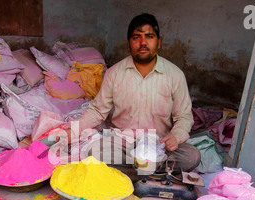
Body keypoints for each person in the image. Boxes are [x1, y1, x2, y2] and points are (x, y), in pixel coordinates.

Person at [60, 13, 200, 177]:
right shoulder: (114, 73)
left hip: (158, 144)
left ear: (158, 42)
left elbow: (184, 116)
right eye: (136, 37)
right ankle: (148, 173)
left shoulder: (175, 75)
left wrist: (176, 136)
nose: (143, 42)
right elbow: (98, 111)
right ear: (129, 44)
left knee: (192, 156)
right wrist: (74, 130)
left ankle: (133, 173)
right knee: (94, 151)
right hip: (123, 143)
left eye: (149, 36)